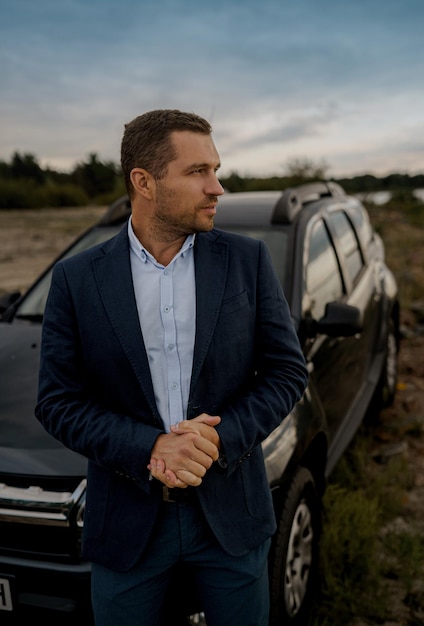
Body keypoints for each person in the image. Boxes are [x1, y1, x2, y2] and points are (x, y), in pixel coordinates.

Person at [35, 109, 308, 626]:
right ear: (144, 182)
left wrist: (216, 442)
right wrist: (152, 446)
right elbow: (57, 402)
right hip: (128, 521)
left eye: (216, 168)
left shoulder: (246, 260)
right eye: (198, 171)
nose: (217, 187)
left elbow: (286, 373)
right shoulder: (76, 279)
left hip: (231, 516)